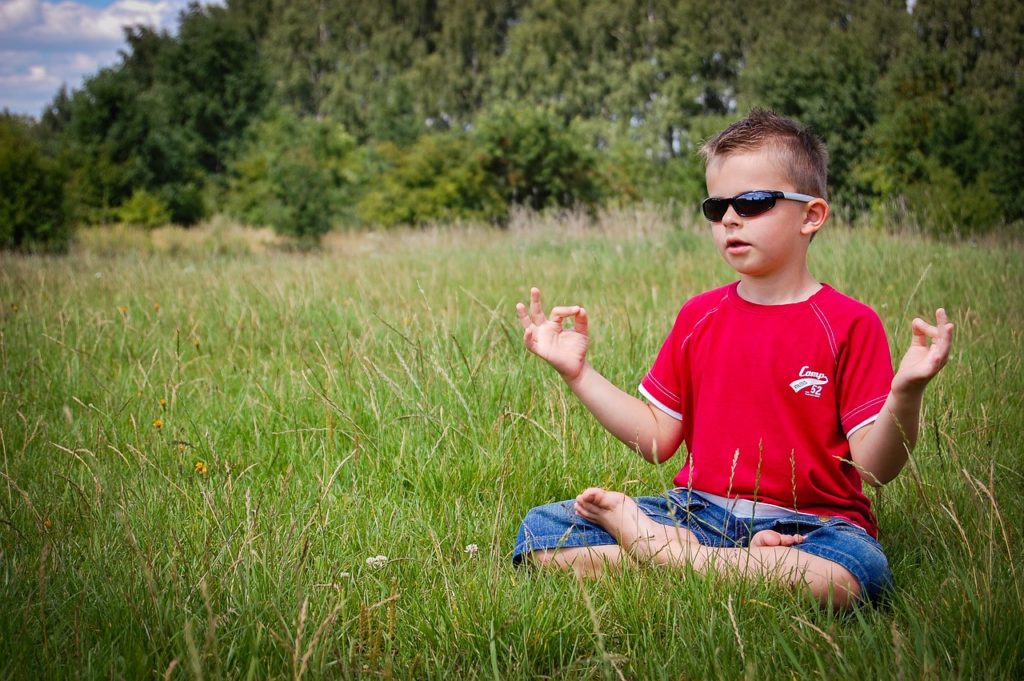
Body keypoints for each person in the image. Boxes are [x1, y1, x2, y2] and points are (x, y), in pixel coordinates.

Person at [511, 108, 954, 608]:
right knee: (542, 533)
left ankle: (665, 556)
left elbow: (874, 469)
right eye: (716, 206)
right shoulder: (699, 316)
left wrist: (906, 392)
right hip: (699, 512)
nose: (729, 219)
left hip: (814, 526)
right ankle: (712, 561)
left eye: (754, 202)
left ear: (812, 215)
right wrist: (578, 373)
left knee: (853, 577)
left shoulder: (849, 323)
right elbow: (659, 439)